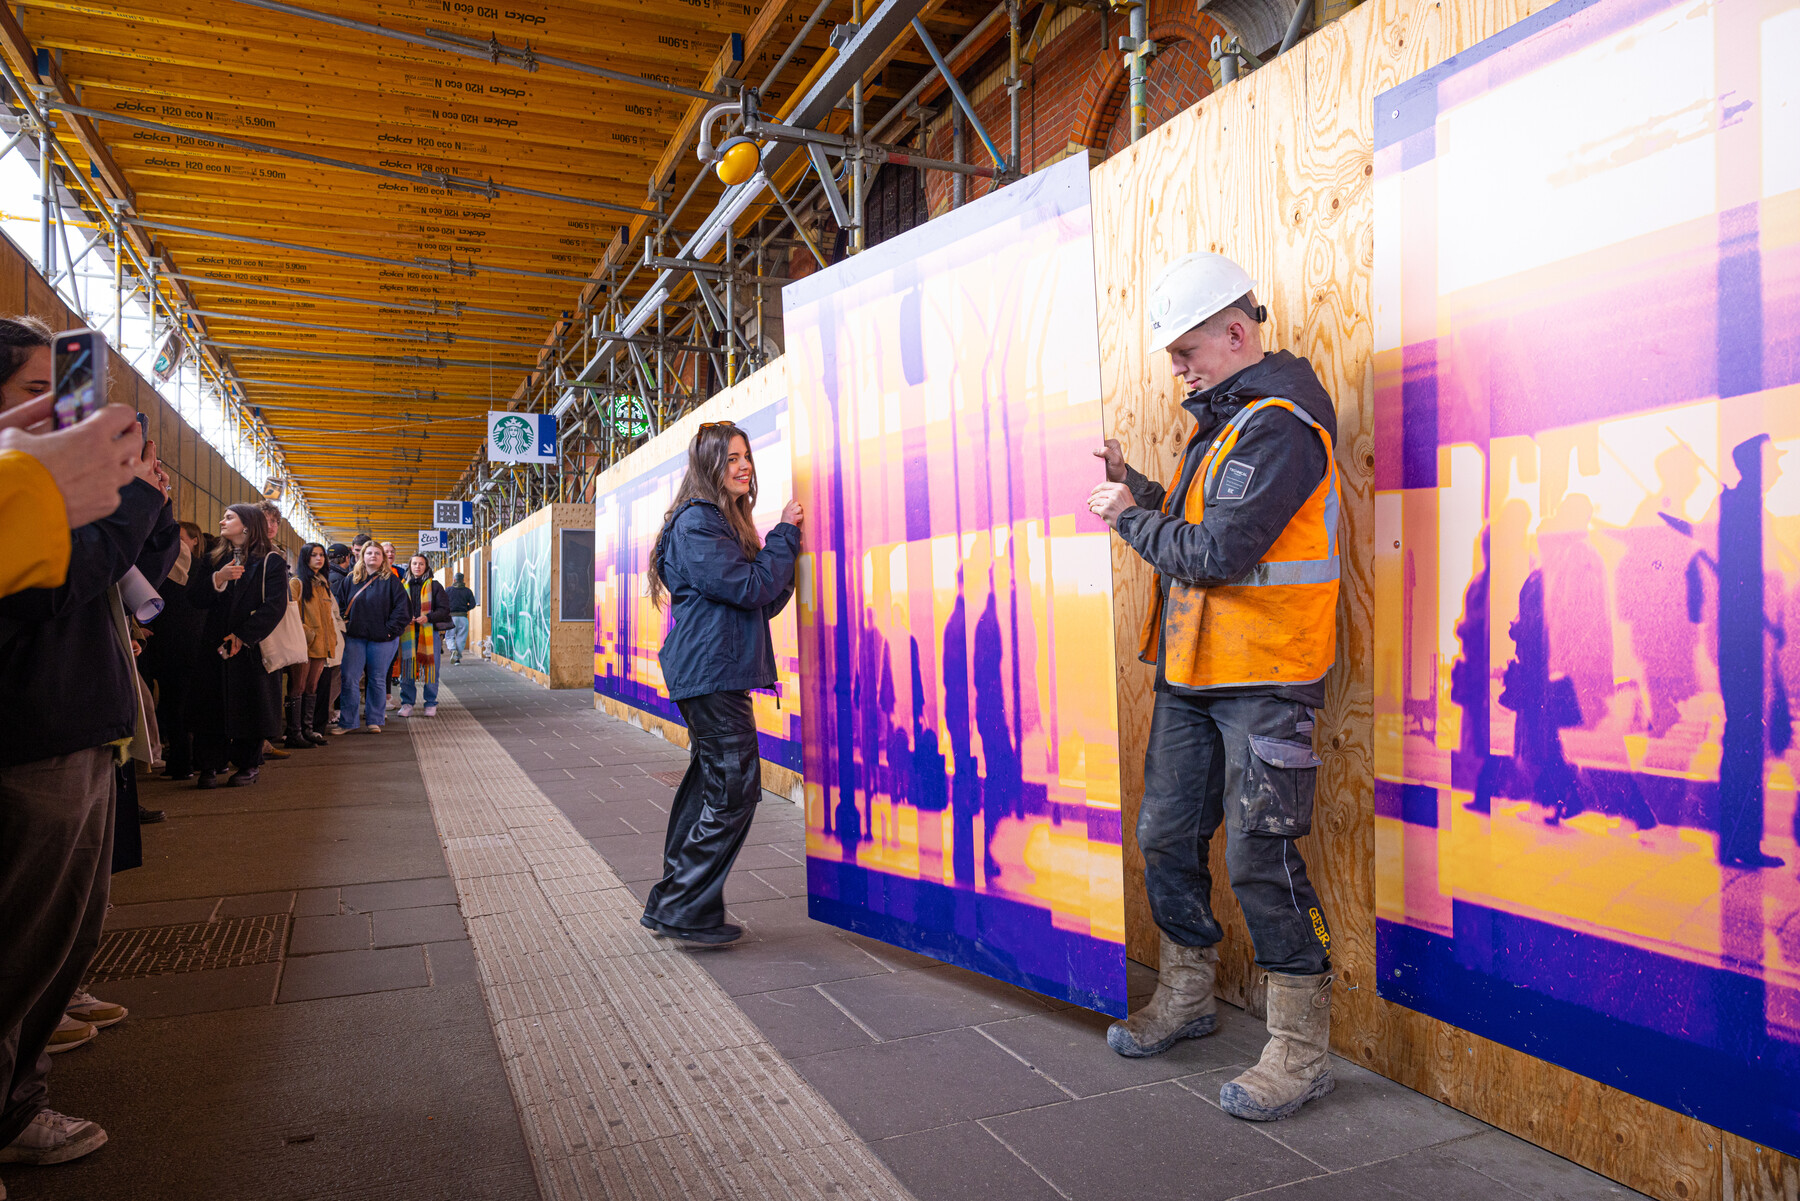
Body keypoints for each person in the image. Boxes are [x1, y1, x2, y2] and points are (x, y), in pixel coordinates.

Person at [1086, 253, 1340, 1122]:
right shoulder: (1226, 424)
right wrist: (1139, 489)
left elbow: (1218, 555)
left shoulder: (1280, 425)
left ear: (1238, 332)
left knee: (1257, 858)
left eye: (1187, 349)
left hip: (1267, 678)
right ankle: (1190, 992)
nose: (1178, 368)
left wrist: (1128, 519)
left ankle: (1300, 1048)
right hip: (1196, 676)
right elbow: (1199, 525)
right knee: (1165, 835)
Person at [0, 315, 178, 1170]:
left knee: (63, 929)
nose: (58, 413)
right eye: (36, 394)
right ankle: (9, 1110)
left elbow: (136, 568)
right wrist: (130, 503)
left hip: (80, 720)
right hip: (35, 727)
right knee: (22, 937)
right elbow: (67, 577)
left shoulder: (36, 487)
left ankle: (21, 1086)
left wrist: (147, 499)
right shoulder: (19, 491)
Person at [639, 422, 802, 945]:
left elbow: (761, 599)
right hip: (710, 673)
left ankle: (675, 900)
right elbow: (752, 586)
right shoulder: (697, 523)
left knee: (713, 783)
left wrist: (777, 554)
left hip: (714, 671)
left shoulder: (717, 524)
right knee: (733, 789)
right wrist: (783, 537)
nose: (744, 466)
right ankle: (684, 906)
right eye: (732, 458)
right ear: (709, 467)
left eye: (746, 456)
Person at [184, 504, 290, 787]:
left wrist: (243, 635)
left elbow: (275, 606)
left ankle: (247, 764)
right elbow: (194, 598)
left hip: (250, 647)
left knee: (250, 705)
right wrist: (218, 579)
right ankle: (209, 765)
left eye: (229, 517)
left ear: (246, 524)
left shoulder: (271, 561)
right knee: (210, 704)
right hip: (214, 644)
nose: (222, 521)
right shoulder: (213, 558)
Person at [330, 540, 409, 735]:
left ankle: (374, 719)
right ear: (361, 556)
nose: (373, 556)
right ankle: (347, 722)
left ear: (383, 558)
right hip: (355, 637)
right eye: (369, 553)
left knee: (377, 678)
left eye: (377, 553)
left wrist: (389, 631)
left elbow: (403, 610)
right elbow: (337, 605)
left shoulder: (392, 582)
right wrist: (345, 624)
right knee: (349, 678)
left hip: (383, 639)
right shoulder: (350, 580)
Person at [288, 542, 338, 745]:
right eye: (314, 555)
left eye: (322, 555)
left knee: (312, 687)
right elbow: (292, 616)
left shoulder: (323, 584)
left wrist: (330, 639)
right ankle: (294, 733)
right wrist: (308, 634)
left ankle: (307, 730)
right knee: (297, 687)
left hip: (320, 646)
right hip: (304, 645)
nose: (319, 558)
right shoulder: (297, 583)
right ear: (305, 558)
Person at [399, 553, 451, 717]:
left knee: (431, 667)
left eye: (421, 564)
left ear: (426, 567)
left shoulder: (435, 586)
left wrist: (427, 617)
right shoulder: (402, 586)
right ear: (410, 566)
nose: (417, 567)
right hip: (407, 634)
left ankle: (430, 702)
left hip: (430, 633)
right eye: (414, 563)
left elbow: (444, 610)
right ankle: (407, 703)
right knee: (407, 668)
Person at [313, 542, 352, 737]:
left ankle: (321, 716)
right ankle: (324, 715)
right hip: (330, 636)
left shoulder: (325, 578)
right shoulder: (340, 579)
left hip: (324, 635)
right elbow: (335, 611)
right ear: (347, 558)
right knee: (332, 676)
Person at [444, 572, 475, 665]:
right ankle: (457, 658)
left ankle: (453, 649)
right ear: (463, 580)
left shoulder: (448, 590)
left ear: (454, 580)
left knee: (449, 636)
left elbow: (443, 602)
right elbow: (473, 604)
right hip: (463, 618)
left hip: (451, 617)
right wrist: (465, 609)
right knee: (461, 638)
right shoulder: (468, 591)